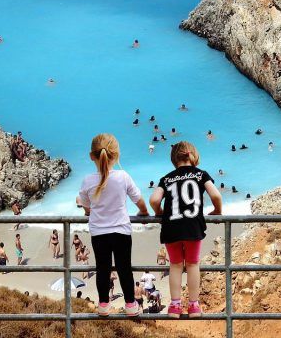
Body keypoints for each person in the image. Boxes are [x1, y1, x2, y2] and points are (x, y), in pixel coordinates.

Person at [77, 133, 147, 317]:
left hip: (99, 232)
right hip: (122, 231)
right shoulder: (123, 176)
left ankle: (103, 305)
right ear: (116, 155)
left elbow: (87, 207)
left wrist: (88, 212)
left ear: (92, 156)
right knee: (124, 268)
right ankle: (131, 305)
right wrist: (144, 213)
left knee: (103, 269)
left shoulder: (87, 180)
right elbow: (138, 200)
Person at [150, 141, 223, 318]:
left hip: (171, 227)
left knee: (175, 265)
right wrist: (217, 211)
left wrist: (159, 212)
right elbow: (216, 195)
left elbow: (153, 200)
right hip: (193, 226)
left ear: (174, 159)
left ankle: (175, 306)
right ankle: (194, 306)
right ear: (191, 155)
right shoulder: (201, 175)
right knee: (192, 264)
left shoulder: (166, 178)